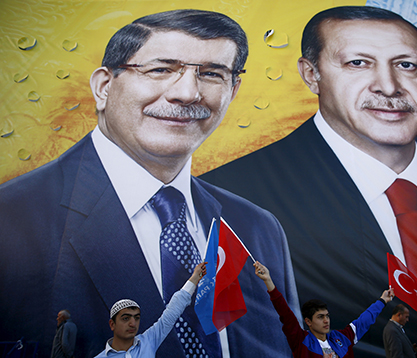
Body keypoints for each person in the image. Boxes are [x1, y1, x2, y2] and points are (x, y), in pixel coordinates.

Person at [200, 5, 417, 357]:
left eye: (406, 65)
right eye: (358, 63)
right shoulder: (230, 197)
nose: (389, 86)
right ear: (311, 74)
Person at [0, 9, 299, 358]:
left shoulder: (258, 228)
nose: (187, 93)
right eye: (161, 69)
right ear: (104, 86)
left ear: (233, 91)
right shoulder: (12, 221)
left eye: (212, 74)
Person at [254, 261, 393, 358]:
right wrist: (268, 281)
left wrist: (382, 300)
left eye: (327, 316)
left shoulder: (341, 338)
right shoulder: (301, 340)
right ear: (308, 321)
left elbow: (364, 320)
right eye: (320, 317)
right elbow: (285, 313)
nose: (326, 320)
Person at [94, 263, 205, 357]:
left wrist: (195, 278)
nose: (132, 323)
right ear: (112, 324)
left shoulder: (147, 341)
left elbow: (171, 314)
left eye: (136, 318)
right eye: (126, 318)